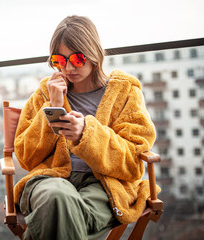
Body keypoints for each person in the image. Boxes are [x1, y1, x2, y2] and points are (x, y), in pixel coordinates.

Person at [13, 15, 158, 240]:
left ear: (94, 54)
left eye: (77, 59)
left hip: (104, 186)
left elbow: (133, 163)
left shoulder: (125, 93)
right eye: (60, 60)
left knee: (55, 212)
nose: (69, 67)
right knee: (56, 197)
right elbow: (25, 157)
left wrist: (87, 135)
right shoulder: (46, 92)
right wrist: (53, 106)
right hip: (50, 180)